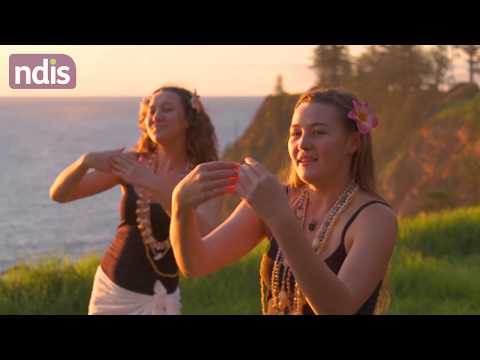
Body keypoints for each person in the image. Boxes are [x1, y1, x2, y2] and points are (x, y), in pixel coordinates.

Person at [170, 87, 398, 315]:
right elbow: (196, 264)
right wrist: (181, 206)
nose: (303, 144)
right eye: (295, 133)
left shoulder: (374, 218)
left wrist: (279, 217)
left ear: (353, 143)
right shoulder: (276, 200)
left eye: (318, 133)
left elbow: (337, 309)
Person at [50, 86, 231, 314]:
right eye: (151, 111)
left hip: (163, 298)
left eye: (166, 109)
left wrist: (152, 183)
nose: (156, 116)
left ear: (188, 120)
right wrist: (84, 162)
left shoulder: (204, 176)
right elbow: (60, 194)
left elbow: (206, 236)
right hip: (112, 292)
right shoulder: (133, 163)